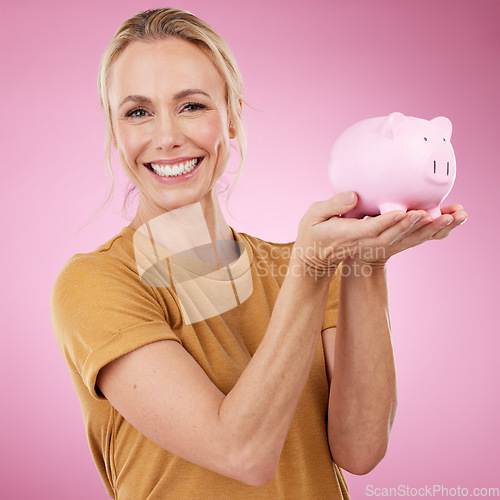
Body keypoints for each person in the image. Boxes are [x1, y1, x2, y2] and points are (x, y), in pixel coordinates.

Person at [51, 8, 467, 500]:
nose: (167, 137)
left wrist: (366, 261)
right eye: (138, 112)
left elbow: (360, 448)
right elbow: (241, 453)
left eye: (192, 106)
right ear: (115, 132)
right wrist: (312, 269)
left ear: (232, 117)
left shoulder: (307, 264)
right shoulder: (97, 284)